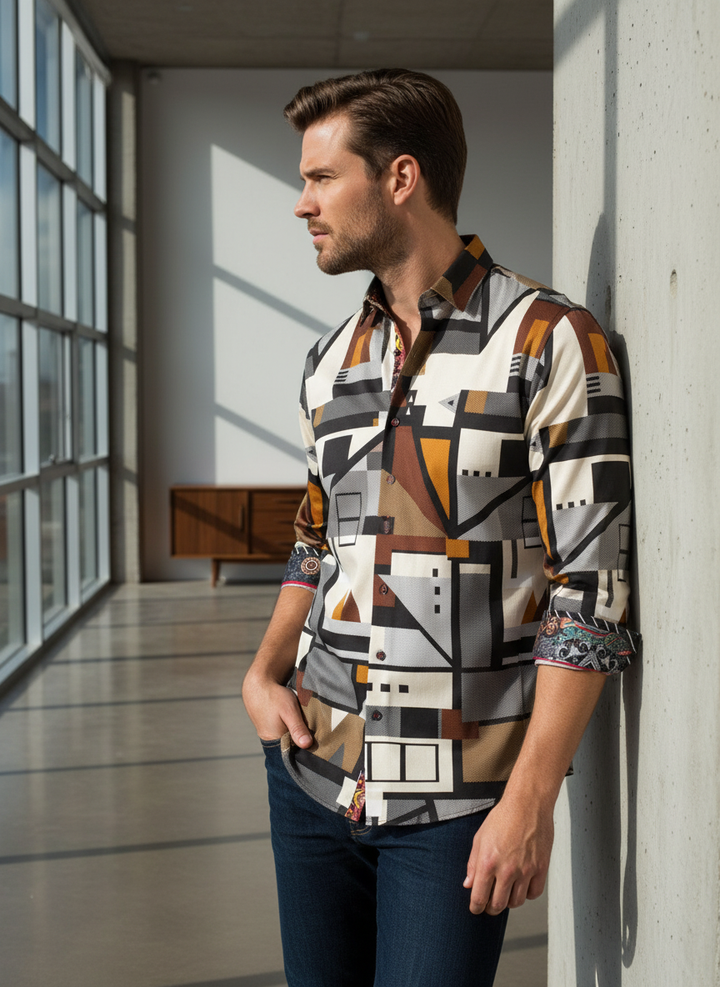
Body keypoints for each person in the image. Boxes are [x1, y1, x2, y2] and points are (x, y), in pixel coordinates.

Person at [242, 68, 639, 987]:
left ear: (401, 178)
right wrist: (264, 671)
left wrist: (531, 798)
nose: (301, 203)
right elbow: (315, 537)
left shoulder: (548, 341)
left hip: (458, 802)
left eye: (319, 178)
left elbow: (591, 593)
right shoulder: (330, 362)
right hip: (312, 772)